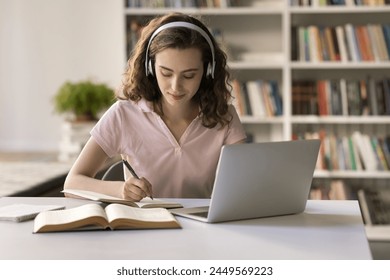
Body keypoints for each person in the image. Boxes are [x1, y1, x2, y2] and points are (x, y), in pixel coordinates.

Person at [63, 12, 246, 201]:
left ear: (208, 71)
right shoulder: (124, 114)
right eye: (166, 73)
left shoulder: (224, 116)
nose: (176, 86)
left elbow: (245, 184)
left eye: (189, 75)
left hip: (202, 226)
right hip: (145, 226)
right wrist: (120, 190)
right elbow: (72, 184)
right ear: (150, 67)